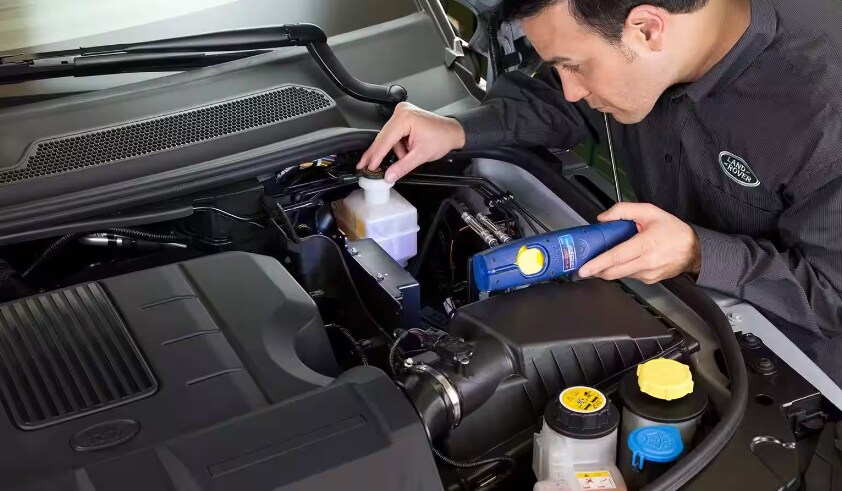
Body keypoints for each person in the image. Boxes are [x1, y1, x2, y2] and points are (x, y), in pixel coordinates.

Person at [357, 0, 842, 384]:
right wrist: (458, 131)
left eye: (574, 66)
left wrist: (698, 252)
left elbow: (834, 297)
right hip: (675, 308)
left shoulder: (824, 108)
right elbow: (560, 102)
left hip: (795, 367)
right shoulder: (632, 45)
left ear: (647, 29)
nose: (569, 88)